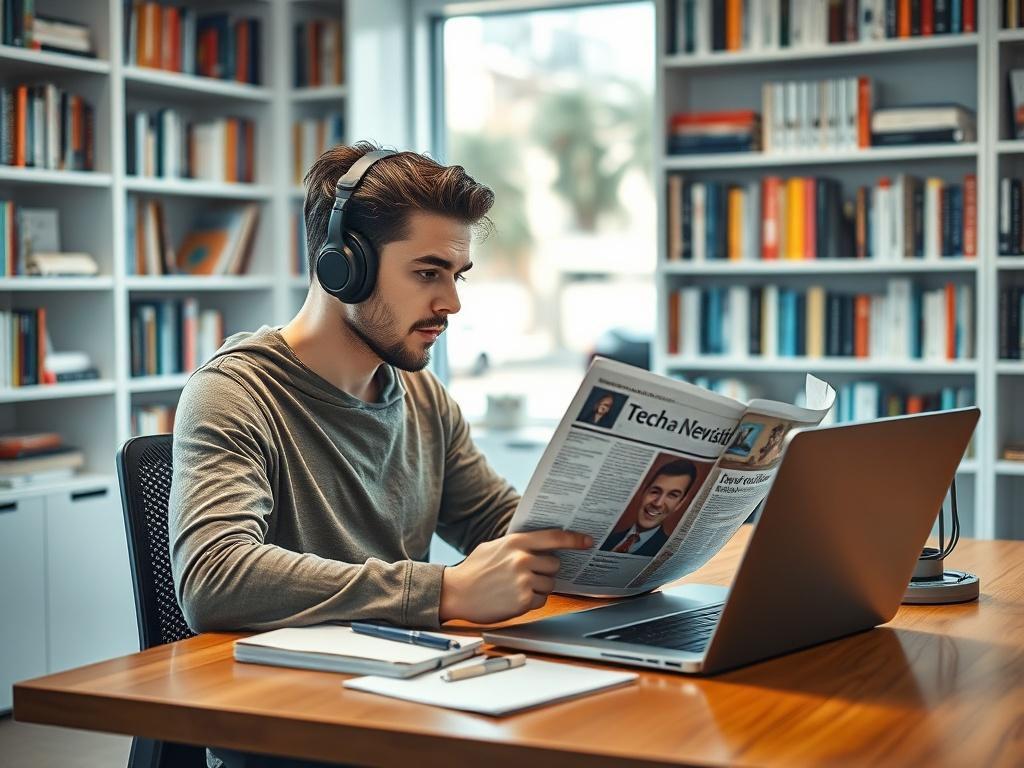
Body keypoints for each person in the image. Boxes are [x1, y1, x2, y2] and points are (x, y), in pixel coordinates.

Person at [168, 142, 593, 642]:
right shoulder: (235, 393)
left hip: (399, 681)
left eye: (457, 277)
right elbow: (214, 577)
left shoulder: (422, 396)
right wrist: (443, 592)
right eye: (428, 273)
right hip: (278, 699)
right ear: (344, 267)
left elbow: (497, 522)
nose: (452, 303)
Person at [600, 459, 697, 556]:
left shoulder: (668, 552)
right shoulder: (608, 539)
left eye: (672, 495)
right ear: (644, 491)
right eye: (655, 491)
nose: (658, 503)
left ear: (680, 503)